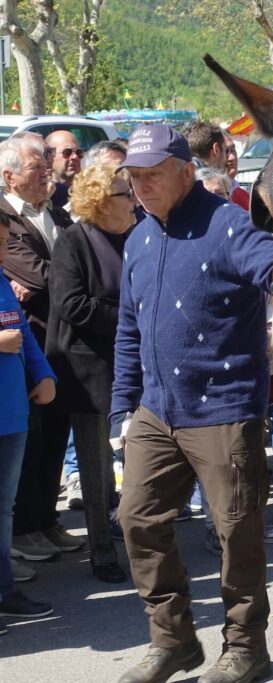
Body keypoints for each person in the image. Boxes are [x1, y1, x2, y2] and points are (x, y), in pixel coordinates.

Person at [111, 125, 273, 683]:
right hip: (156, 411)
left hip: (225, 406)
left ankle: (246, 646)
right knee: (136, 518)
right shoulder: (137, 238)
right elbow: (128, 332)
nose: (142, 186)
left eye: (153, 174)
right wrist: (120, 412)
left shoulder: (231, 225)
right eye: (134, 177)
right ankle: (174, 640)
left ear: (185, 170)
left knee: (236, 529)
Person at [46, 164, 136, 584]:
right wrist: (130, 318)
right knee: (97, 468)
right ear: (101, 202)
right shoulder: (73, 241)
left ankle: (142, 541)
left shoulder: (139, 235)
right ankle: (103, 552)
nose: (134, 199)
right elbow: (71, 304)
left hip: (134, 365)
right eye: (124, 194)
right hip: (89, 371)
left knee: (142, 458)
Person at [0, 134, 80, 564]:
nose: (47, 170)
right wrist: (74, 279)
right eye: (37, 166)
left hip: (61, 346)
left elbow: (70, 268)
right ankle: (26, 527)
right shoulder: (6, 223)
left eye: (47, 163)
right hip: (29, 348)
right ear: (9, 177)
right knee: (29, 444)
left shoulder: (57, 214)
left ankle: (47, 519)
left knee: (54, 438)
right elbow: (44, 276)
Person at [0, 215, 57, 635]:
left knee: (4, 509)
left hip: (13, 411)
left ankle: (5, 593)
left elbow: (23, 333)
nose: (3, 253)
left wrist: (44, 375)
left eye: (4, 243)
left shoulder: (2, 281)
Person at [44, 130, 84, 210]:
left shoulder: (90, 192)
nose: (75, 157)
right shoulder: (42, 196)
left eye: (78, 152)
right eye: (67, 153)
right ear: (50, 156)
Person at [223, 138, 250, 210]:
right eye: (226, 151)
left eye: (233, 150)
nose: (232, 157)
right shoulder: (207, 197)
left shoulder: (246, 197)